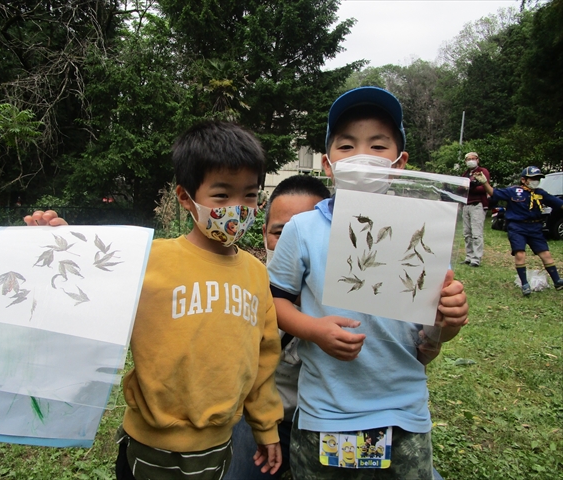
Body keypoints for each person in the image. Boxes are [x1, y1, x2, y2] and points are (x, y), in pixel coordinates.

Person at [25, 121, 283, 480]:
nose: (238, 209)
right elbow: (90, 290)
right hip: (149, 447)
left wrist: (267, 427)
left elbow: (263, 361)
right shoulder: (147, 259)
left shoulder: (256, 274)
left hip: (220, 446)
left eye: (250, 195)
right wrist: (62, 244)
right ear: (185, 197)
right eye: (222, 196)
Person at [267, 86, 469, 479]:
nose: (361, 156)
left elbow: (430, 336)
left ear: (400, 162)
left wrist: (449, 322)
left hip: (404, 415)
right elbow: (275, 304)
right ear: (328, 165)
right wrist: (315, 329)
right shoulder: (303, 230)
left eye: (378, 146)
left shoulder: (424, 230)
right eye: (346, 146)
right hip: (325, 415)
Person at [224, 175, 331, 480]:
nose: (291, 244)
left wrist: (439, 331)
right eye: (280, 232)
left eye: (306, 232)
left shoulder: (354, 291)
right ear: (264, 234)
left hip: (332, 420)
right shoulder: (245, 288)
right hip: (265, 419)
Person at [474, 166, 563, 296]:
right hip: (517, 228)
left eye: (538, 178)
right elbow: (494, 193)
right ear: (523, 180)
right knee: (520, 254)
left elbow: (557, 203)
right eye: (533, 178)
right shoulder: (514, 191)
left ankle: (557, 281)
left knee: (546, 254)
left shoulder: (540, 193)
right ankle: (525, 284)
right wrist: (485, 183)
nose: (536, 181)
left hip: (535, 228)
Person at [460, 152, 490, 267]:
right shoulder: (466, 174)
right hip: (466, 204)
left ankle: (476, 258)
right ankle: (469, 256)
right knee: (467, 233)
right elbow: (460, 188)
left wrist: (470, 187)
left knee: (476, 233)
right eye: (468, 159)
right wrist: (469, 186)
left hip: (477, 204)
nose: (471, 161)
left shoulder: (482, 171)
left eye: (473, 158)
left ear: (477, 160)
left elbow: (484, 188)